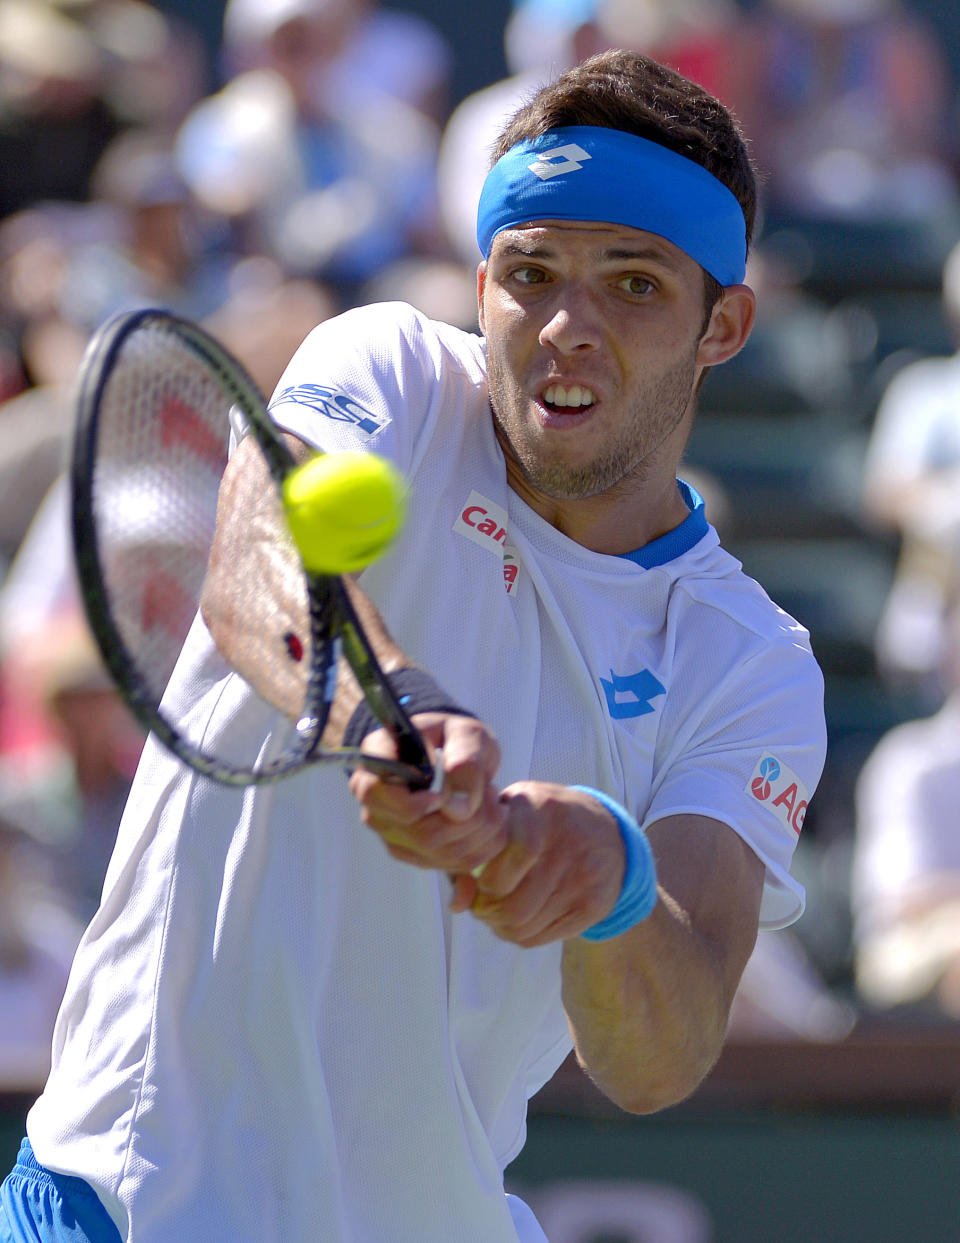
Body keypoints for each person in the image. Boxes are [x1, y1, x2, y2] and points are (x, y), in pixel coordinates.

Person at [0, 50, 826, 1243]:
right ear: (481, 283)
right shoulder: (381, 364)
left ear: (725, 326)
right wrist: (400, 709)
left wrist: (610, 879)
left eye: (635, 285)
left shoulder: (752, 660)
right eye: (531, 274)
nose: (567, 327)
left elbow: (662, 1052)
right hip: (126, 1200)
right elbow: (255, 572)